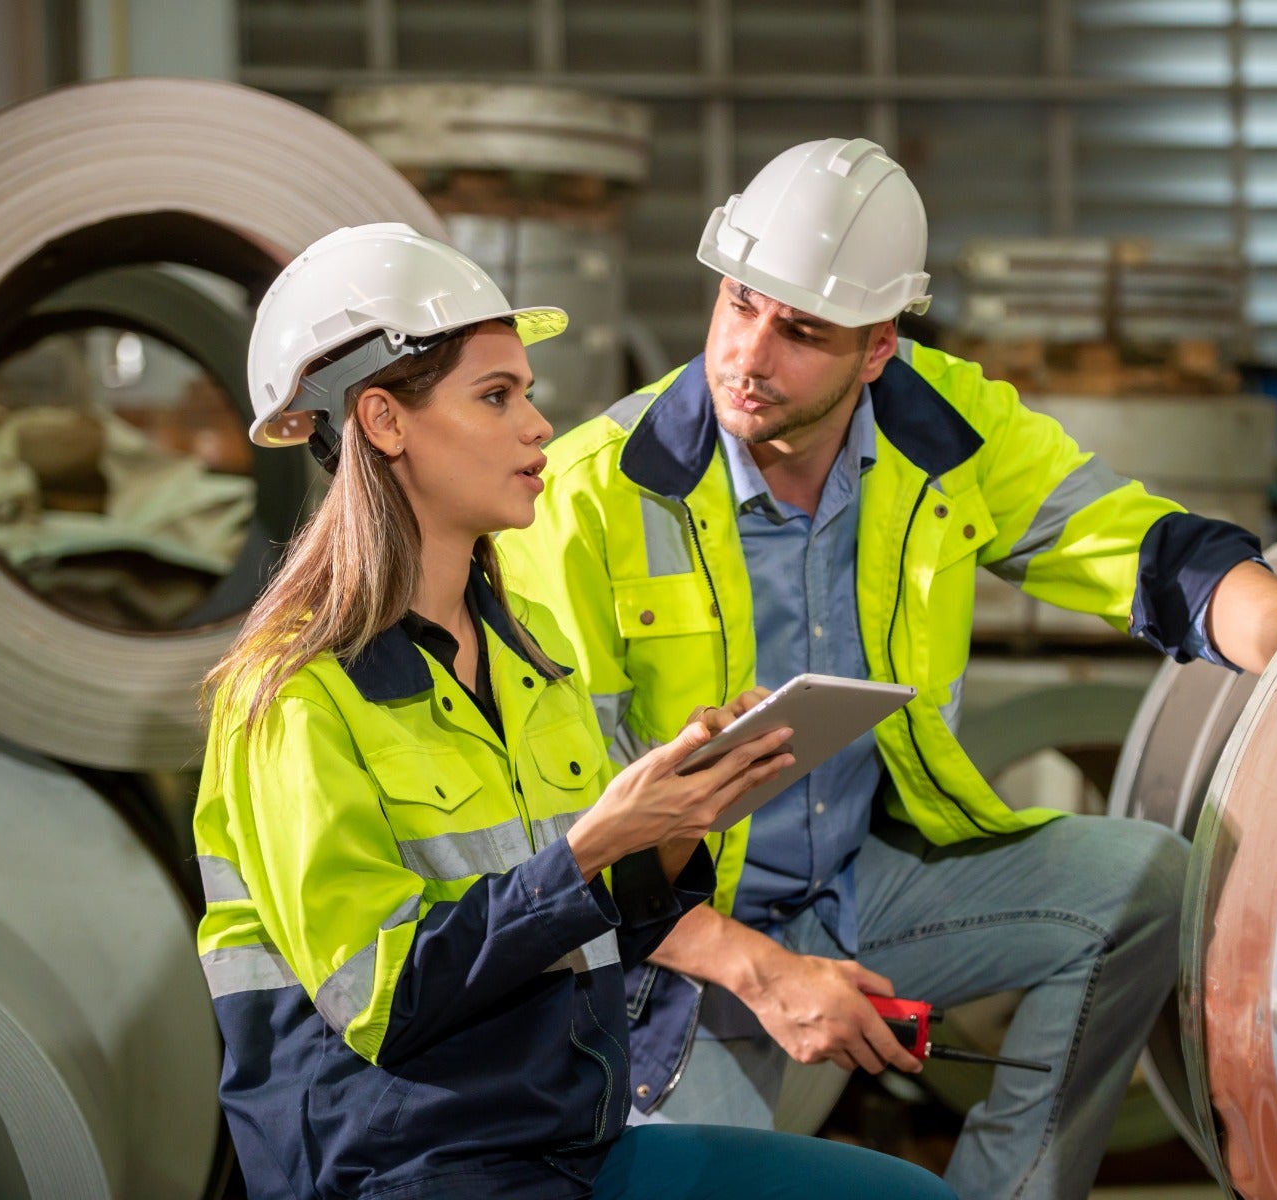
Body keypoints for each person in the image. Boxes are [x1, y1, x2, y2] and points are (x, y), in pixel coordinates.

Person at [498, 139, 1277, 1198]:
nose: (751, 354)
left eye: (802, 331)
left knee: (1140, 887)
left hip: (856, 886)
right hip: (665, 952)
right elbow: (558, 839)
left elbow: (1149, 553)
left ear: (878, 347)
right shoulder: (590, 498)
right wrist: (764, 973)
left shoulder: (945, 428)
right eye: (740, 303)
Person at [191, 222, 959, 1200]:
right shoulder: (292, 695)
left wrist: (679, 821)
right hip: (403, 1170)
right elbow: (381, 1004)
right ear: (383, 421)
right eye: (496, 396)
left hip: (563, 1146)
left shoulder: (531, 664)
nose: (538, 426)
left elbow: (600, 929)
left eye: (530, 393)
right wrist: (593, 850)